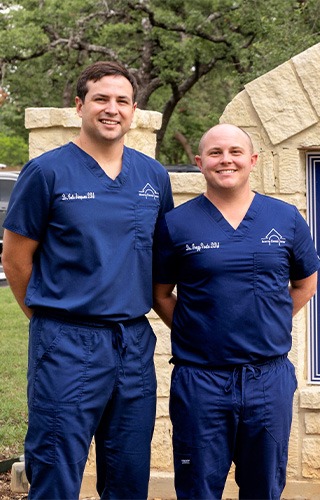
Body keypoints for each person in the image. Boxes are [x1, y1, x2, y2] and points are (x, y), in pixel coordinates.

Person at [1, 61, 174, 499]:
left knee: (128, 474)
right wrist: (49, 320)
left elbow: (160, 256)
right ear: (80, 106)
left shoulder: (152, 176)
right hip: (67, 341)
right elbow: (16, 259)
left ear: (133, 110)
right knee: (56, 470)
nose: (111, 109)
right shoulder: (46, 173)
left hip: (134, 344)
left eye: (121, 101)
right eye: (100, 99)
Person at [152, 123, 320, 499]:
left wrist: (264, 321)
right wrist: (201, 330)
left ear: (252, 160)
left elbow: (306, 285)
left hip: (267, 379)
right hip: (200, 381)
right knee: (198, 489)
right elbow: (160, 294)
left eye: (235, 152)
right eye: (215, 153)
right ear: (199, 162)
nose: (225, 160)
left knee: (263, 487)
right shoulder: (176, 224)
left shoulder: (285, 217)